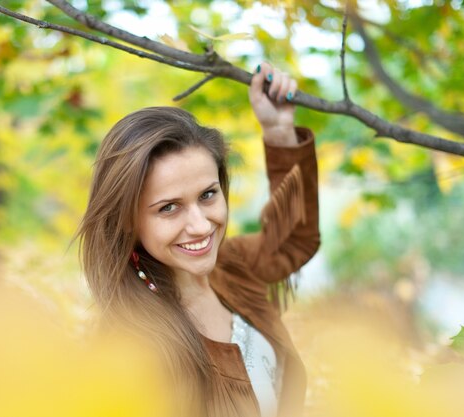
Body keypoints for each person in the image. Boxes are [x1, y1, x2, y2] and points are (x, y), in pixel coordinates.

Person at [76, 62, 320, 417]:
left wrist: (279, 131)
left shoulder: (231, 267)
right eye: (169, 208)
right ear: (127, 220)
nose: (201, 225)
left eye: (207, 195)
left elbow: (294, 238)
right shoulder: (131, 353)